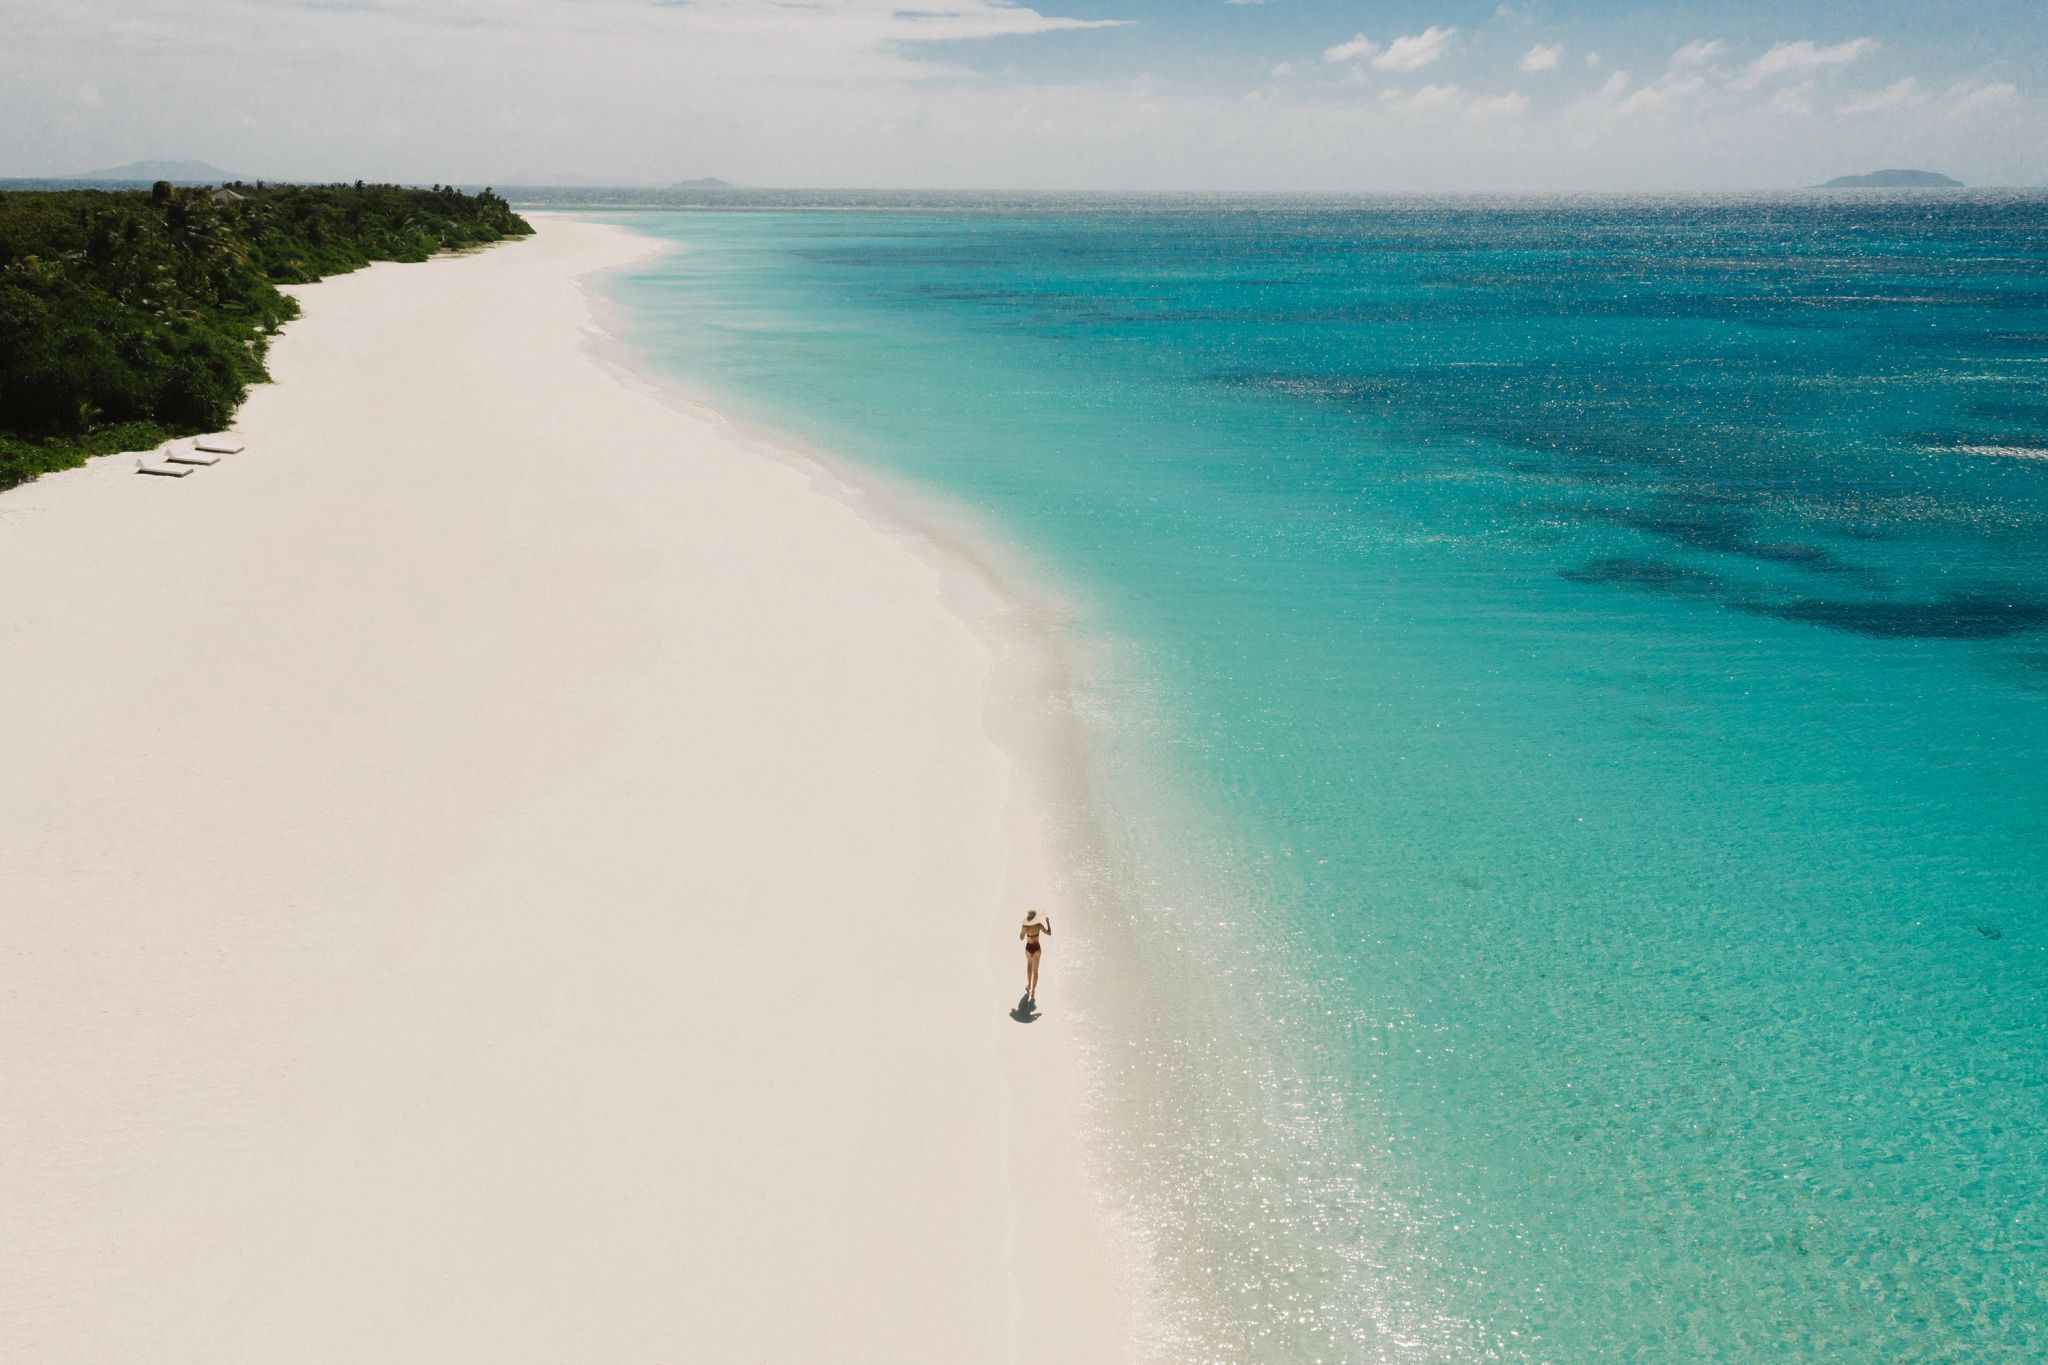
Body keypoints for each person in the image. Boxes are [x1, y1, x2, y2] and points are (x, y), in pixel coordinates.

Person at [1019, 908, 1052, 1003]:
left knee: (1029, 966)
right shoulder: (1038, 925)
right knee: (1036, 970)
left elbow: (1021, 938)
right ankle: (1033, 991)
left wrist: (1023, 932)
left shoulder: (1025, 926)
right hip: (1037, 947)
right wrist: (1048, 922)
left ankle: (1029, 986)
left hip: (1029, 947)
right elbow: (1049, 933)